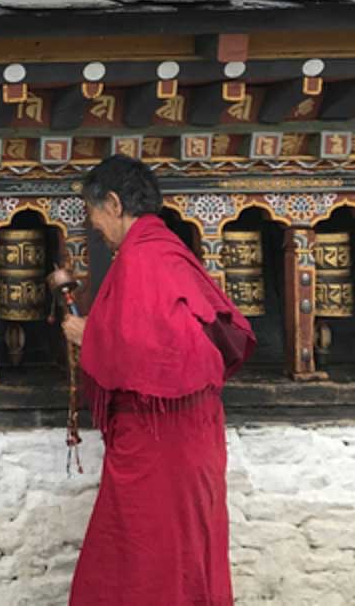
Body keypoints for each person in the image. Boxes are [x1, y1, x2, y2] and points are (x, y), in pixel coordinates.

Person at [54, 155, 256, 606]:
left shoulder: (143, 258)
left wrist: (89, 335)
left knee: (142, 558)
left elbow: (159, 349)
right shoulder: (170, 252)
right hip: (191, 436)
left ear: (112, 203)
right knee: (183, 550)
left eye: (94, 216)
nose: (98, 230)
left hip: (159, 440)